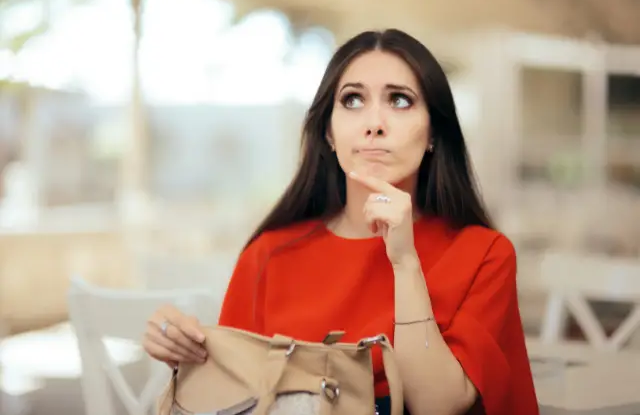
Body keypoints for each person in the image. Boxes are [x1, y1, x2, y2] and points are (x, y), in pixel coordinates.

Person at [143, 29, 539, 415]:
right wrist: (184, 349)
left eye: (400, 101)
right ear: (329, 134)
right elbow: (236, 395)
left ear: (434, 132)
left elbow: (437, 406)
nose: (374, 123)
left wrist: (405, 262)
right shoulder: (269, 254)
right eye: (352, 100)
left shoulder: (484, 254)